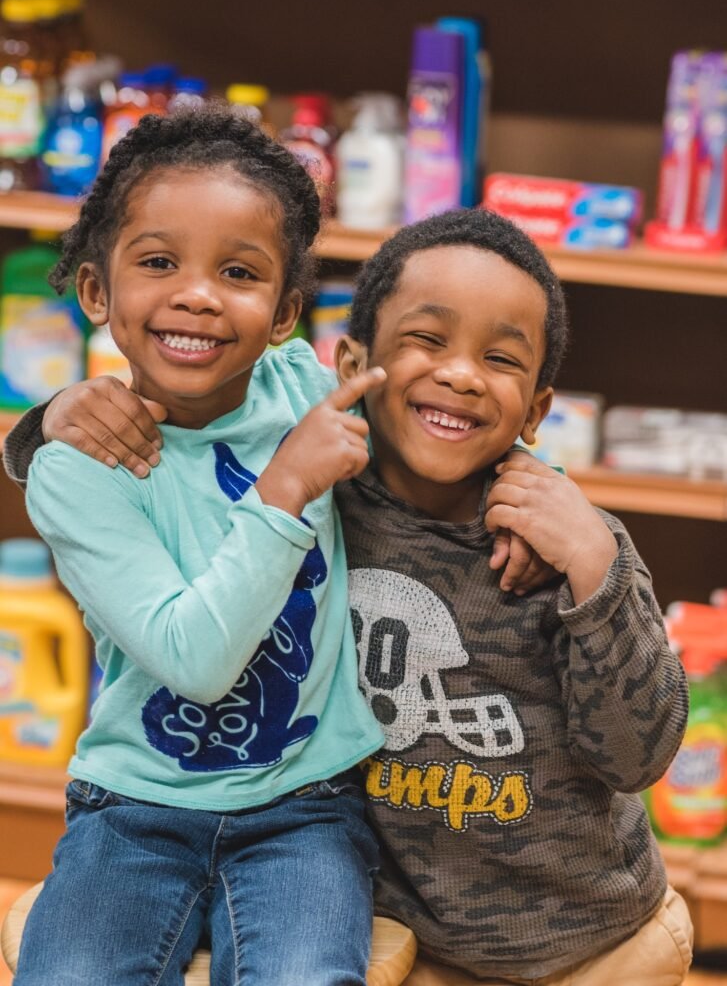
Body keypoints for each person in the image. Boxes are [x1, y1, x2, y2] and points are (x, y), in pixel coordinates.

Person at [4, 208, 692, 985]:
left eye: (499, 359)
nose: (461, 373)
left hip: (585, 944)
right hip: (389, 923)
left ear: (536, 408)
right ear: (350, 367)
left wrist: (595, 565)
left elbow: (639, 756)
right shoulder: (327, 480)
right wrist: (50, 420)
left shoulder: (564, 540)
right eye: (426, 341)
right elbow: (196, 409)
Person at [8, 107, 388, 986]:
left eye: (239, 272)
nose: (197, 294)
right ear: (96, 292)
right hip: (132, 810)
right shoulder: (81, 467)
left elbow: (440, 420)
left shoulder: (308, 388)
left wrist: (540, 481)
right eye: (156, 262)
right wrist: (286, 486)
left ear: (286, 312)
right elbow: (196, 658)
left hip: (308, 809)